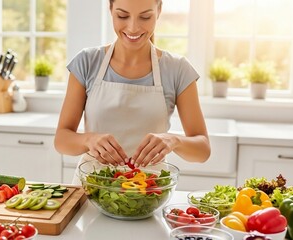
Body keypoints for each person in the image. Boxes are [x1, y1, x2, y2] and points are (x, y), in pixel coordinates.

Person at [55, 0, 211, 184]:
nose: (133, 27)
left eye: (145, 17)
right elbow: (61, 139)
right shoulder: (87, 62)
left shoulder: (178, 69)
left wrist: (173, 140)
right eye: (122, 16)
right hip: (92, 186)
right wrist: (88, 140)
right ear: (111, 9)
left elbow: (203, 150)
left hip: (150, 191)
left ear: (159, 11)